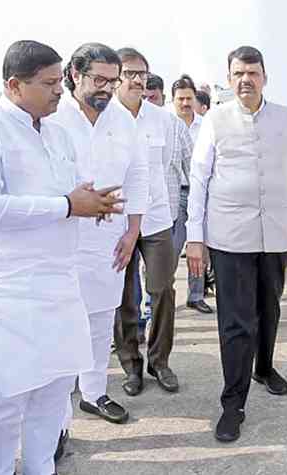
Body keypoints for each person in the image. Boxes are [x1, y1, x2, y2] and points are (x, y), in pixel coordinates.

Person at [0, 40, 122, 475]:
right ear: (14, 85)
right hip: (7, 293)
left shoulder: (58, 133)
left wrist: (91, 202)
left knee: (53, 398)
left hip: (61, 286)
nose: (61, 90)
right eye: (49, 83)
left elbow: (71, 192)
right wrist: (65, 206)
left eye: (61, 80)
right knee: (2, 405)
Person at [186, 46, 287, 443]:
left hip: (277, 231)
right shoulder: (215, 120)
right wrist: (194, 236)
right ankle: (233, 403)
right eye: (238, 73)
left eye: (252, 73)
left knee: (269, 309)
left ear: (264, 77)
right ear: (229, 78)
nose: (246, 80)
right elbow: (199, 178)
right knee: (236, 321)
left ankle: (265, 367)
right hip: (230, 235)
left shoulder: (284, 117)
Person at [52, 43, 150, 455]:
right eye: (99, 80)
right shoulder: (53, 116)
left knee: (98, 322)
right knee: (60, 329)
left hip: (109, 241)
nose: (107, 89)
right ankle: (55, 424)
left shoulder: (122, 121)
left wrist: (133, 232)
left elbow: (139, 175)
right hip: (59, 239)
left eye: (113, 81)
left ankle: (93, 393)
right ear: (75, 75)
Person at [112, 47, 180, 397]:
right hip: (115, 220)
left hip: (155, 217)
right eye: (130, 73)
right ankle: (130, 364)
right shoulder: (105, 117)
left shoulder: (162, 119)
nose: (137, 80)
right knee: (122, 295)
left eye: (142, 73)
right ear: (116, 77)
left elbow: (163, 166)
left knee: (162, 289)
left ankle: (159, 361)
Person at [171, 74, 213, 314]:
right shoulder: (167, 124)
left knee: (199, 246)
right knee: (173, 247)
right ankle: (163, 296)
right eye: (181, 99)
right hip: (176, 193)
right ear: (173, 100)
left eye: (189, 99)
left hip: (202, 193)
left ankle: (196, 296)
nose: (185, 103)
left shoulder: (206, 125)